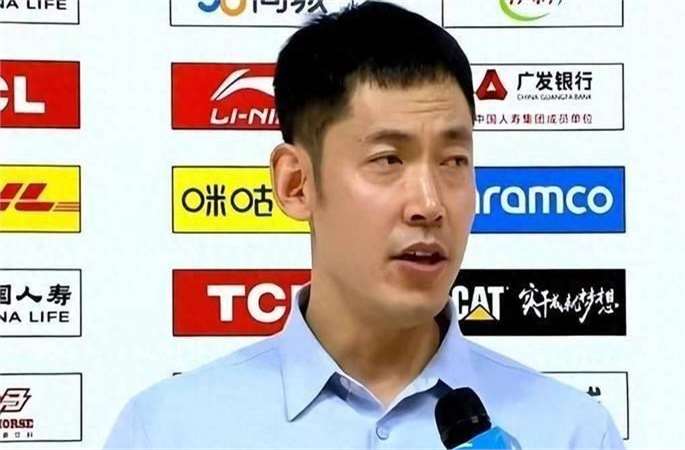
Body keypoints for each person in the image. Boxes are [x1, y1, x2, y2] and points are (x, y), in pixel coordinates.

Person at [104, 2, 625, 448]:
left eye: (454, 161)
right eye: (388, 160)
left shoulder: (571, 431)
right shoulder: (170, 430)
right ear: (296, 184)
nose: (429, 204)